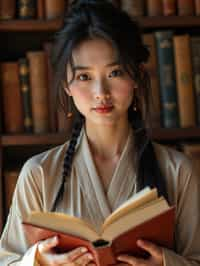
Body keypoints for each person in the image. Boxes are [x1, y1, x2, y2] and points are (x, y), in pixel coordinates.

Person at [0, 0, 200, 265]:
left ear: (137, 77)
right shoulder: (38, 174)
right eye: (84, 77)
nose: (101, 93)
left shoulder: (178, 171)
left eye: (115, 72)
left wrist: (165, 262)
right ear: (66, 86)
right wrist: (39, 260)